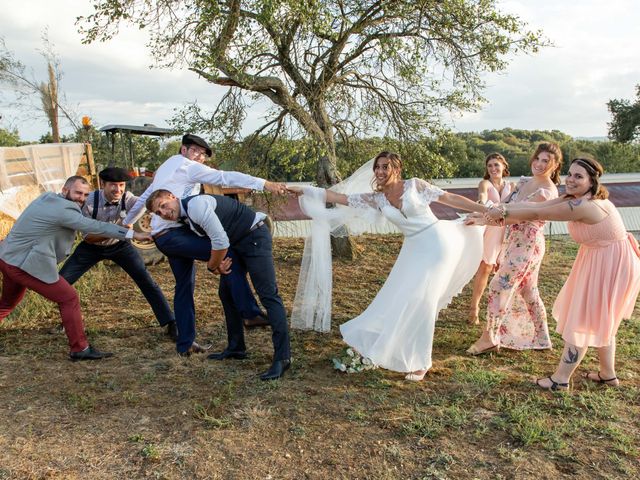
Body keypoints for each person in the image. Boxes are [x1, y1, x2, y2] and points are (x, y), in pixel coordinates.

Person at [289, 151, 487, 381]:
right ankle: (392, 345)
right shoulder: (378, 199)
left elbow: (450, 199)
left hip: (437, 243)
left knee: (424, 300)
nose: (380, 172)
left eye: (385, 167)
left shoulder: (415, 186)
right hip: (413, 250)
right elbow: (340, 198)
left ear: (397, 168)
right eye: (378, 167)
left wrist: (485, 210)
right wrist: (305, 190)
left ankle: (422, 361)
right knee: (401, 296)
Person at [467, 156, 640, 390]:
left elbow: (535, 213)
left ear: (592, 181)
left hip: (611, 262)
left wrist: (499, 211)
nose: (571, 179)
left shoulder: (583, 206)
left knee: (584, 317)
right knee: (601, 317)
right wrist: (493, 214)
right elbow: (537, 207)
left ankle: (560, 379)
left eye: (579, 176)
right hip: (602, 257)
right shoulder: (576, 198)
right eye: (570, 174)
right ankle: (608, 374)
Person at [122, 134, 288, 356]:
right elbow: (224, 177)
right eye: (195, 151)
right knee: (226, 253)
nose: (199, 157)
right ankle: (249, 311)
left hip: (165, 238)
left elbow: (145, 199)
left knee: (184, 286)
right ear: (184, 150)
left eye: (203, 154)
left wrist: (125, 225)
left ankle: (186, 343)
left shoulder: (166, 165)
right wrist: (264, 184)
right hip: (174, 235)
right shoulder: (188, 167)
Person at [0, 176, 152, 360]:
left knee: (8, 303)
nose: (82, 198)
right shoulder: (65, 210)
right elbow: (94, 226)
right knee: (68, 298)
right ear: (65, 190)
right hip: (23, 265)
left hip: (7, 257)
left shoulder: (47, 197)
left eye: (86, 195)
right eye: (78, 193)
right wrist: (132, 233)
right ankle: (79, 348)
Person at [145, 189, 291, 380]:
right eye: (158, 213)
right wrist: (217, 263)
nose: (163, 213)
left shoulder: (196, 206)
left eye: (163, 206)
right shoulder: (185, 217)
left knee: (269, 295)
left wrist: (213, 266)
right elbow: (219, 241)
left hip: (253, 236)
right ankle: (236, 347)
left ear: (173, 196)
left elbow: (220, 242)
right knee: (226, 293)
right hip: (236, 243)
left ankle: (282, 358)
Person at [59, 167, 177, 340]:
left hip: (120, 246)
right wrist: (119, 229)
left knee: (147, 281)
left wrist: (136, 220)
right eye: (113, 185)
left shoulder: (128, 199)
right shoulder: (89, 202)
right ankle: (67, 321)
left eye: (121, 185)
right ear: (102, 185)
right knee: (62, 281)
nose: (118, 190)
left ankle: (171, 323)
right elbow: (89, 237)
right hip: (90, 248)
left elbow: (148, 206)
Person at [466, 142, 562, 355]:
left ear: (555, 165)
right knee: (529, 290)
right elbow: (504, 206)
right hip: (512, 241)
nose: (539, 163)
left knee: (498, 285)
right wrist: (482, 215)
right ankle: (542, 338)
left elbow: (516, 215)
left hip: (528, 244)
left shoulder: (547, 191)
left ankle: (489, 337)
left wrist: (484, 220)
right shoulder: (524, 181)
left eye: (546, 161)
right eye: (537, 158)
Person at [468, 153, 515, 325]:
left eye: (496, 165)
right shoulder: (485, 183)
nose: (493, 169)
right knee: (486, 266)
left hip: (508, 229)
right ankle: (474, 307)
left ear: (504, 166)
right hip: (491, 229)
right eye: (490, 166)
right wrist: (483, 202)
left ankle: (500, 310)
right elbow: (482, 197)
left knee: (504, 269)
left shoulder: (513, 185)